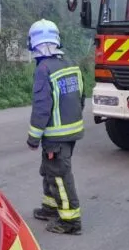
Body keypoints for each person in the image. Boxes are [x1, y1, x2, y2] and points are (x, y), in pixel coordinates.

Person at [26, 19, 85, 235]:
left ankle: (70, 220)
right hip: (71, 131)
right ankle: (51, 207)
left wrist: (33, 137)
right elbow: (81, 96)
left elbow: (42, 107)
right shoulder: (71, 64)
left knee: (60, 174)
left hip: (55, 135)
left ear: (34, 43)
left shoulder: (43, 69)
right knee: (49, 170)